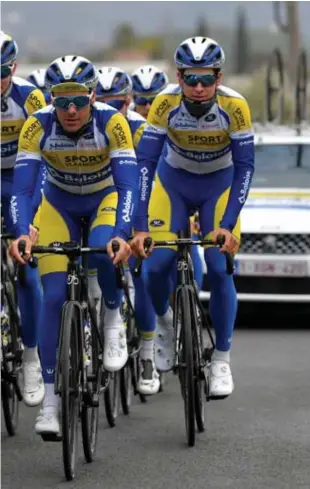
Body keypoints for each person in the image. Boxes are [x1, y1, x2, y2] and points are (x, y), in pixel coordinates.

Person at [9, 55, 138, 435]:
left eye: (78, 101)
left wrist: (123, 231)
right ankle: (50, 403)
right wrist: (21, 230)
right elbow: (23, 187)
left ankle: (113, 317)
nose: (69, 110)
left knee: (103, 250)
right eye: (61, 100)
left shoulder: (111, 122)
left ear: (93, 96)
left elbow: (129, 184)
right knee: (52, 297)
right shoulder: (38, 125)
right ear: (51, 99)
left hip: (104, 199)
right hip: (58, 204)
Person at [131, 37, 255, 398]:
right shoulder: (164, 103)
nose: (199, 88)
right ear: (179, 77)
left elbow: (246, 167)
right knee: (154, 266)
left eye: (207, 79)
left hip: (219, 187)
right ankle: (166, 326)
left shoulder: (235, 106)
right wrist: (139, 225)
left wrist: (227, 225)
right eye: (190, 79)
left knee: (219, 266)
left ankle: (220, 359)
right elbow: (144, 164)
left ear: (219, 77)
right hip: (173, 186)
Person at [94, 65, 159, 394]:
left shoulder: (137, 128)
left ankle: (148, 352)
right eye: (103, 100)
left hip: (137, 201)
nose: (109, 108)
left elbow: (155, 176)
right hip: (98, 202)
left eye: (117, 103)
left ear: (128, 102)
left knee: (143, 273)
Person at [1, 30, 46, 406]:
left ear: (13, 68)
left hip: (23, 178)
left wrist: (30, 217)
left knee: (28, 270)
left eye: (0, 72)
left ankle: (31, 356)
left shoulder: (29, 96)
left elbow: (46, 157)